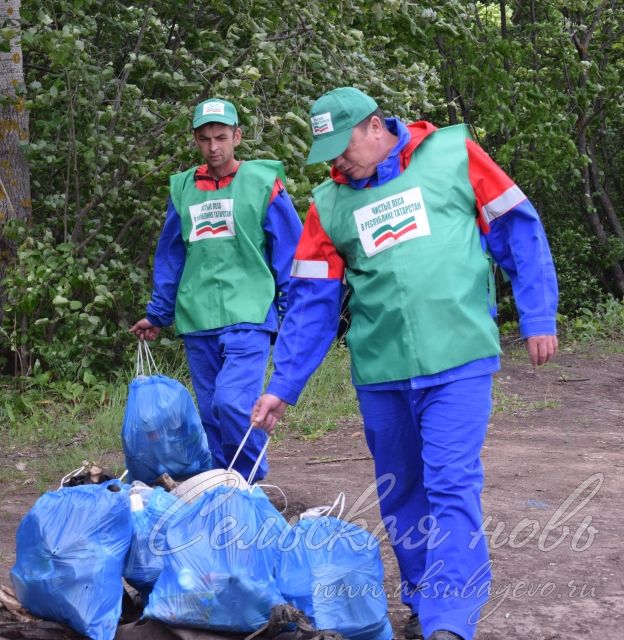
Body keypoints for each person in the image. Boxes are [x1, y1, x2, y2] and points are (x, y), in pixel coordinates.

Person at [251, 87, 558, 640]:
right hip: (381, 370)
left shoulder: (452, 154)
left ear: (374, 127)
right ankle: (423, 595)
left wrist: (537, 314)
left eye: (341, 147)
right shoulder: (329, 203)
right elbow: (311, 304)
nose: (336, 162)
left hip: (458, 355)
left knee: (450, 483)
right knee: (400, 491)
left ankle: (450, 617)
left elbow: (519, 229)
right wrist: (284, 384)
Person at [130, 98, 304, 483]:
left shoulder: (263, 184)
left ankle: (250, 483)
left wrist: (294, 309)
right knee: (211, 411)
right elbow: (171, 256)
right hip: (198, 316)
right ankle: (223, 487)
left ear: (237, 136)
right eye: (205, 138)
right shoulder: (183, 190)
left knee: (234, 403)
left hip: (250, 313)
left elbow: (290, 251)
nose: (214, 147)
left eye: (221, 137)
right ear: (195, 140)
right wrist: (159, 314)